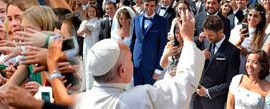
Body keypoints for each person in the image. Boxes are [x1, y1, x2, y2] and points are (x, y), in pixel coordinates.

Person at [76, 8, 206, 108]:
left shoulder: (78, 101)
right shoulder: (139, 99)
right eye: (129, 60)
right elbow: (184, 85)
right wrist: (189, 40)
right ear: (122, 70)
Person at [192, 15, 241, 109]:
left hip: (214, 101)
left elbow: (230, 83)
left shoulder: (232, 51)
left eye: (210, 35)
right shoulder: (206, 42)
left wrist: (207, 92)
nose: (207, 37)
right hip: (196, 97)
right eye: (206, 34)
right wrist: (200, 57)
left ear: (220, 32)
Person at [130, 0, 169, 86]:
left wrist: (159, 69)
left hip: (151, 66)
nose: (149, 8)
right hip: (136, 65)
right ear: (143, 4)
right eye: (146, 5)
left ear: (156, 6)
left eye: (152, 6)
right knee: (137, 93)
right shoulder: (136, 18)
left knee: (150, 95)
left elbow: (162, 46)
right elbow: (133, 41)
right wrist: (129, 61)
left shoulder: (162, 22)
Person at [229, 4, 267, 73]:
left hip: (247, 68)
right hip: (232, 64)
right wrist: (240, 40)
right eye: (250, 15)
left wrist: (248, 53)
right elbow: (229, 49)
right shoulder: (237, 28)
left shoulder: (263, 36)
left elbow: (262, 57)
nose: (252, 18)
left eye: (255, 16)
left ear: (261, 19)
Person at [77, 5, 101, 90]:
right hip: (86, 45)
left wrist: (90, 32)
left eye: (93, 11)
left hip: (94, 44)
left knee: (94, 64)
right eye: (90, 11)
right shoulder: (84, 21)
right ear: (87, 12)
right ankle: (87, 86)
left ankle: (95, 85)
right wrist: (84, 31)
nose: (91, 13)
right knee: (87, 63)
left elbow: (98, 33)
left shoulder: (99, 21)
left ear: (96, 12)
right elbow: (79, 33)